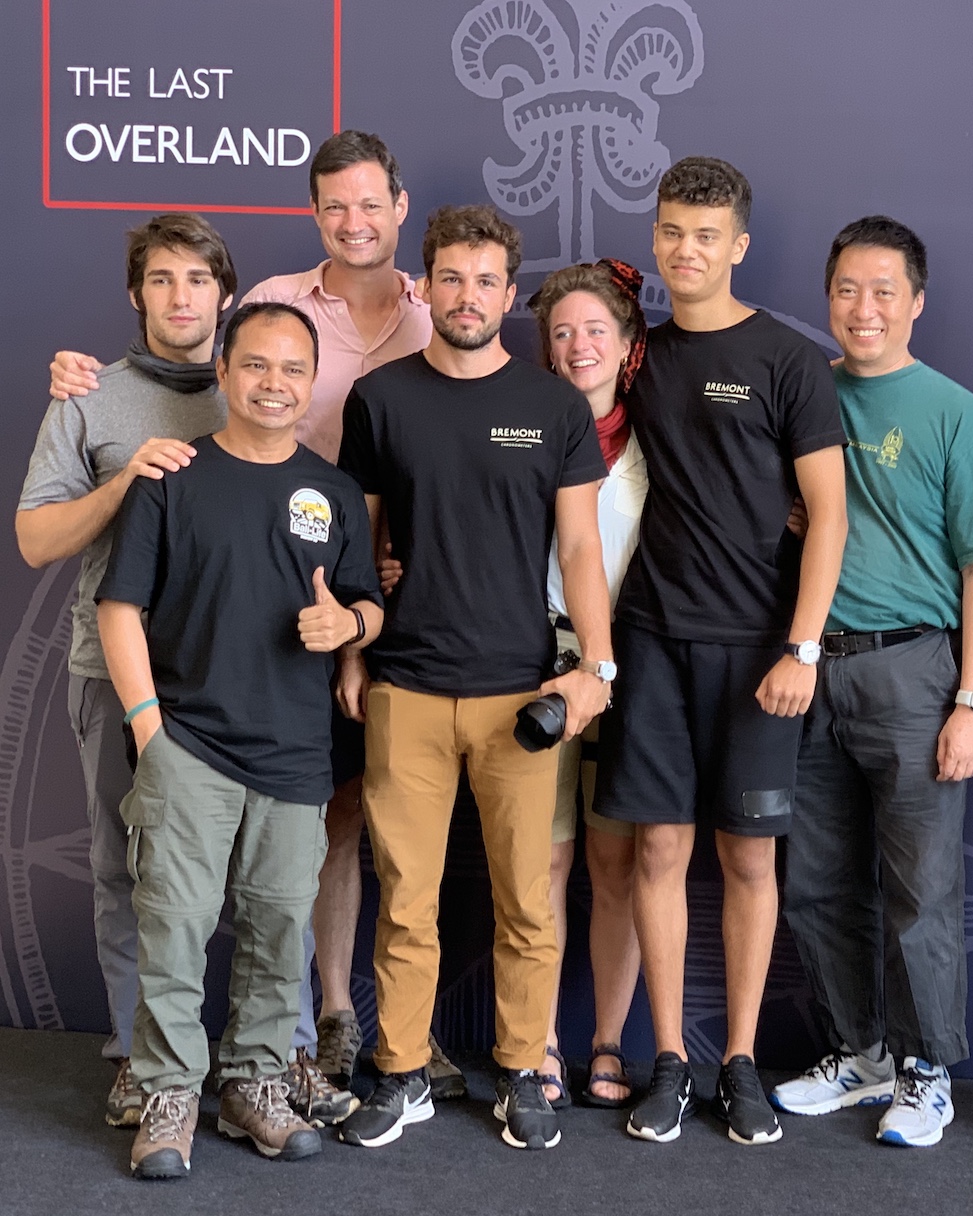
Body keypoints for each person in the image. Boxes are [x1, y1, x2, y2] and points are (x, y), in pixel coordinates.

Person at [46, 130, 466, 1108]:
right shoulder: (273, 306)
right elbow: (184, 381)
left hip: (361, 618)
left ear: (399, 208)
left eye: (370, 203)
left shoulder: (437, 313)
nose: (354, 221)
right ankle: (184, 1068)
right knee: (178, 884)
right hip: (209, 643)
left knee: (333, 842)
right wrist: (91, 381)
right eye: (334, 205)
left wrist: (355, 620)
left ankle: (314, 1045)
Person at [334, 204, 614, 1152]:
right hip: (404, 686)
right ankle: (401, 1070)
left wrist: (596, 666)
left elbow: (581, 548)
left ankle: (522, 1070)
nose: (468, 296)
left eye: (486, 280)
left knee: (527, 900)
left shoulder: (554, 407)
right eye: (451, 278)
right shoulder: (380, 398)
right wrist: (353, 655)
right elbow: (360, 543)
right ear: (426, 286)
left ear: (509, 293)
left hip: (520, 693)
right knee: (405, 898)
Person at [592, 157, 849, 1146]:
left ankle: (737, 1061)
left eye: (705, 236)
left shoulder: (789, 359)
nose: (685, 250)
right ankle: (669, 1060)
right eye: (670, 232)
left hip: (758, 653)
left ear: (738, 245)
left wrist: (802, 646)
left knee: (747, 857)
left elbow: (827, 516)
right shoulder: (638, 355)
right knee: (658, 849)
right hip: (652, 638)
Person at [96, 301, 384, 1178]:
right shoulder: (172, 478)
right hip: (188, 744)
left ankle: (255, 1082)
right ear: (222, 372)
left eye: (293, 369)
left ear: (313, 382)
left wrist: (350, 626)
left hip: (295, 753)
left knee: (279, 928)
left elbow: (368, 603)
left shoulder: (334, 490)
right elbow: (120, 609)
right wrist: (150, 728)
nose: (273, 384)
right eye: (255, 364)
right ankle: (168, 1092)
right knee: (175, 928)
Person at [772, 217, 973, 1147]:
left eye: (883, 291)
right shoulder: (805, 392)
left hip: (914, 671)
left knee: (922, 888)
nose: (862, 308)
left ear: (916, 302)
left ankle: (925, 1069)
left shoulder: (954, 413)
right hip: (810, 668)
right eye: (845, 289)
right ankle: (861, 1051)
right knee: (817, 882)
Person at [16, 212, 235, 1129]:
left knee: (255, 872)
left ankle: (260, 1059)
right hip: (110, 671)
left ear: (225, 293)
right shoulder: (86, 397)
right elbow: (36, 540)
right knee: (122, 868)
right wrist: (123, 482)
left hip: (232, 676)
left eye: (198, 279)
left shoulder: (261, 386)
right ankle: (141, 1060)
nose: (181, 297)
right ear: (136, 292)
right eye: (162, 279)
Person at [527, 259, 649, 1108]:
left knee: (617, 863)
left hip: (630, 668)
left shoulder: (658, 441)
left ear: (628, 342)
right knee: (543, 858)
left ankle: (607, 1039)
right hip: (537, 658)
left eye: (595, 330)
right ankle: (538, 1038)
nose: (579, 346)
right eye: (563, 332)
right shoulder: (524, 429)